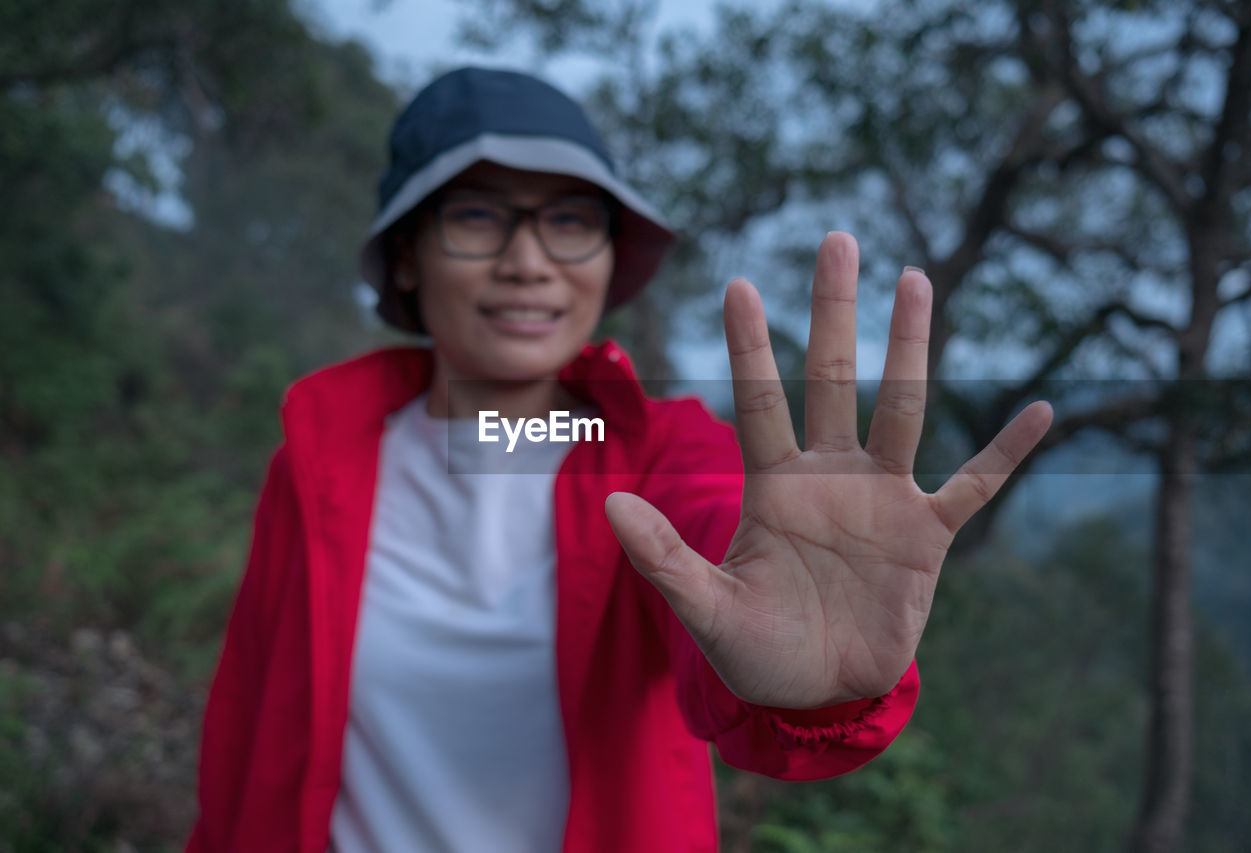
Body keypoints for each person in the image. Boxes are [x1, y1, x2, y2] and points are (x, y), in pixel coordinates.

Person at [186, 67, 1052, 852]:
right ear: (408, 255)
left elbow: (729, 584)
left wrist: (814, 687)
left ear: (608, 258)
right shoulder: (323, 455)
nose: (528, 262)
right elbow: (244, 736)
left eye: (570, 220)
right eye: (477, 215)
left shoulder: (666, 457)